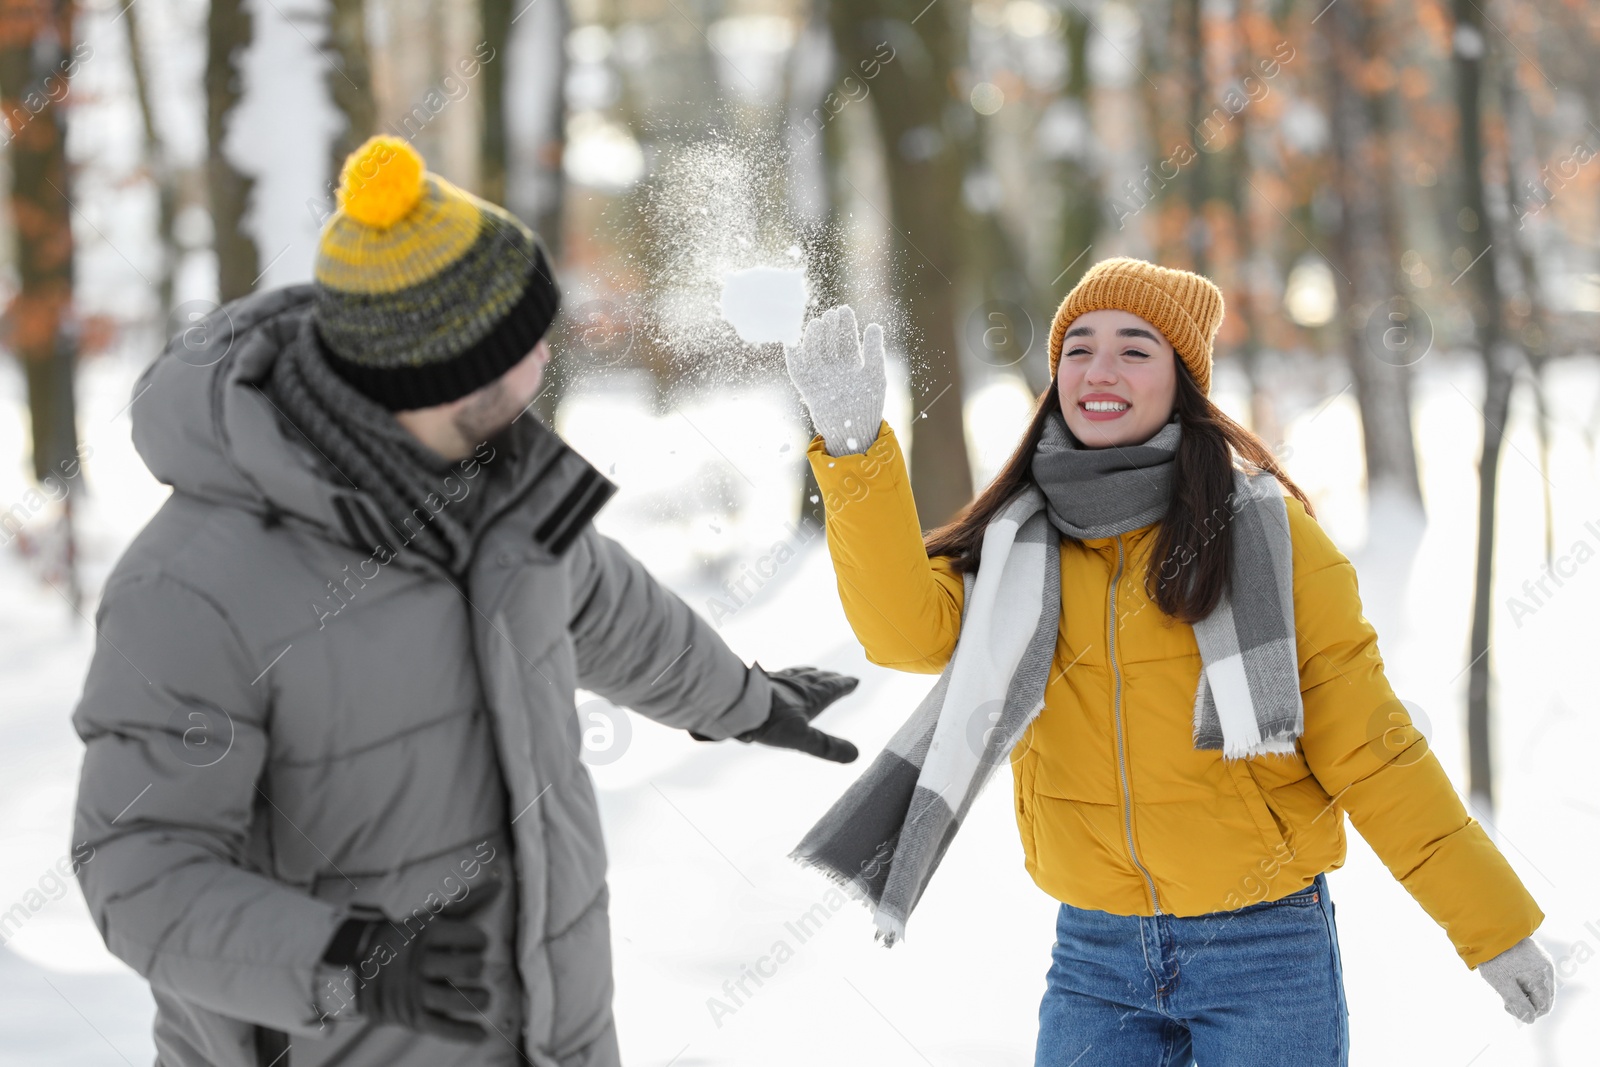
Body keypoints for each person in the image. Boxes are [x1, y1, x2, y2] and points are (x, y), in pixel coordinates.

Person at [68, 135, 860, 1067]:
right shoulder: (195, 587)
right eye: (516, 357)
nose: (539, 369)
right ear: (430, 382)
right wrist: (344, 960)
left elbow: (606, 609)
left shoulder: (489, 484)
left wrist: (745, 700)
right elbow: (136, 865)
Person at [782, 258, 1556, 1066]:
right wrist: (854, 450)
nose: (1099, 369)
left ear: (1182, 381)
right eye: (1077, 348)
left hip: (1264, 949)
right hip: (1096, 954)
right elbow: (902, 631)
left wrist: (1493, 928)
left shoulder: (1268, 536)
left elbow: (1373, 750)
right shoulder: (1022, 547)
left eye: (1135, 349)